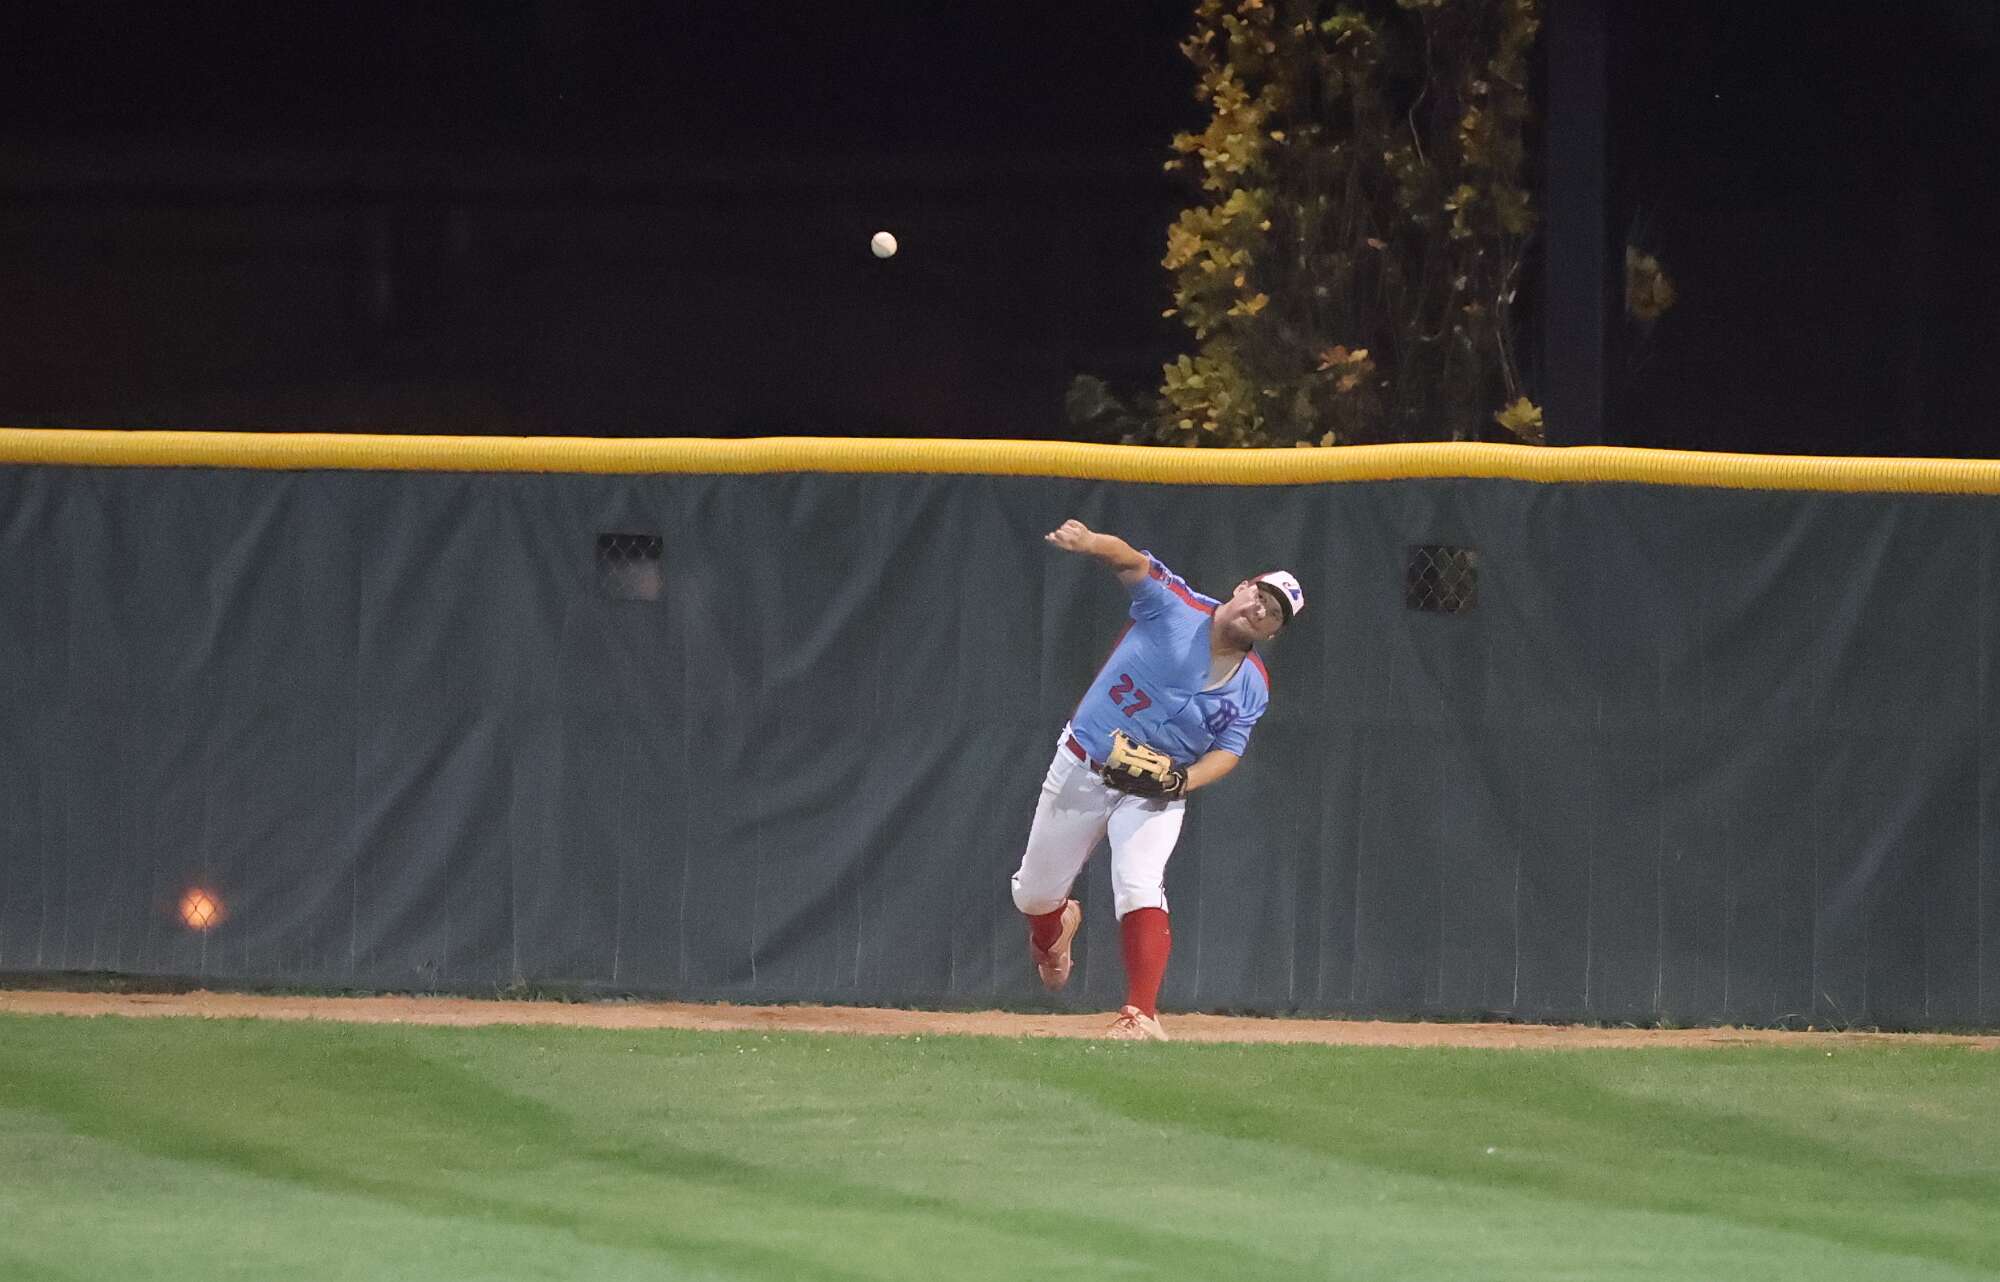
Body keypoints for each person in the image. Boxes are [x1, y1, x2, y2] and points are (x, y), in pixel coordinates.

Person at [1010, 518, 1304, 1040]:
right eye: (1261, 596)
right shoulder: (1176, 607)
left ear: (1274, 633)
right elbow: (1131, 561)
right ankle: (1054, 929)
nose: (1261, 609)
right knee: (1033, 895)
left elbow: (1229, 751)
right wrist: (1091, 543)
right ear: (1241, 588)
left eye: (1274, 612)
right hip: (1083, 763)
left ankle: (1141, 1015)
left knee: (1139, 883)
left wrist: (1181, 782)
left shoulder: (1253, 686)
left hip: (1153, 792)